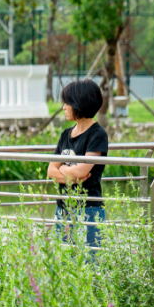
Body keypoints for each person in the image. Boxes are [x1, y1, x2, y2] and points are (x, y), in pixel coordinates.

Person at [46, 80, 109, 252]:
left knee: (90, 260)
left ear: (79, 103)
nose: (64, 107)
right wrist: (71, 175)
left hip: (89, 208)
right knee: (65, 260)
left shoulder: (97, 135)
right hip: (63, 208)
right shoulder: (66, 134)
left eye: (67, 102)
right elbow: (51, 170)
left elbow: (82, 171)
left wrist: (63, 170)